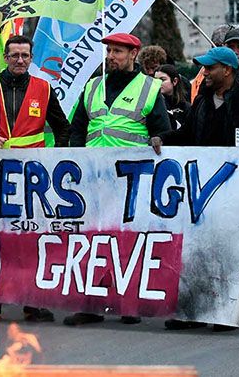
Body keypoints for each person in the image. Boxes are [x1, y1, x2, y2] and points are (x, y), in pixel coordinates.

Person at [151, 47, 239, 331]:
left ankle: (222, 313)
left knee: (226, 255)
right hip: (201, 193)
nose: (204, 73)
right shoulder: (202, 102)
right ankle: (191, 313)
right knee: (195, 253)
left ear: (227, 70)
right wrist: (162, 138)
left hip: (234, 194)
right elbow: (186, 135)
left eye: (210, 68)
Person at [0, 35, 69, 323]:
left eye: (25, 55)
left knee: (31, 240)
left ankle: (32, 302)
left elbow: (63, 128)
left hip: (33, 179)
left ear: (31, 58)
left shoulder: (44, 88)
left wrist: (56, 161)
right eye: (15, 55)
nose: (20, 60)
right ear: (6, 58)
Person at [65, 33, 170, 326]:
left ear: (133, 54)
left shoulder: (149, 88)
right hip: (94, 178)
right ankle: (91, 305)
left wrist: (159, 138)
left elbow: (163, 130)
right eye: (109, 51)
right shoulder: (93, 86)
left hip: (130, 180)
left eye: (118, 51)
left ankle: (129, 304)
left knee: (128, 242)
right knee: (92, 241)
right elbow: (78, 128)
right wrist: (77, 158)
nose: (111, 56)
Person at [154, 64, 189, 129]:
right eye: (155, 80)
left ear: (175, 81)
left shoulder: (186, 107)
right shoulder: (153, 105)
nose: (158, 83)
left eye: (162, 80)